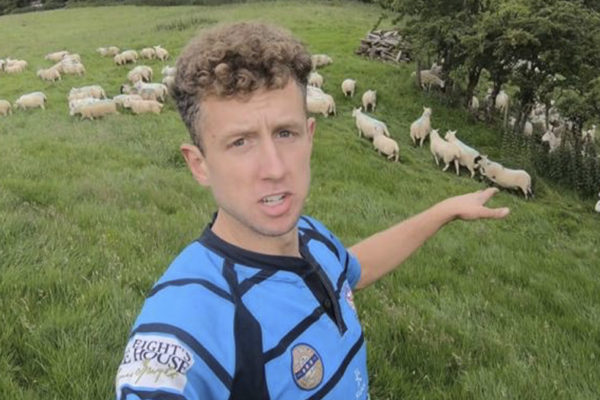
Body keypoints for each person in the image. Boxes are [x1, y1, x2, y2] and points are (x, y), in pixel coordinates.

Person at [114, 22, 510, 400]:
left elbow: (352, 270)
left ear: (310, 138)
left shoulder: (311, 236)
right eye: (240, 142)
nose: (274, 168)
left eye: (285, 133)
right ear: (199, 164)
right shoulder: (189, 320)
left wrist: (443, 211)